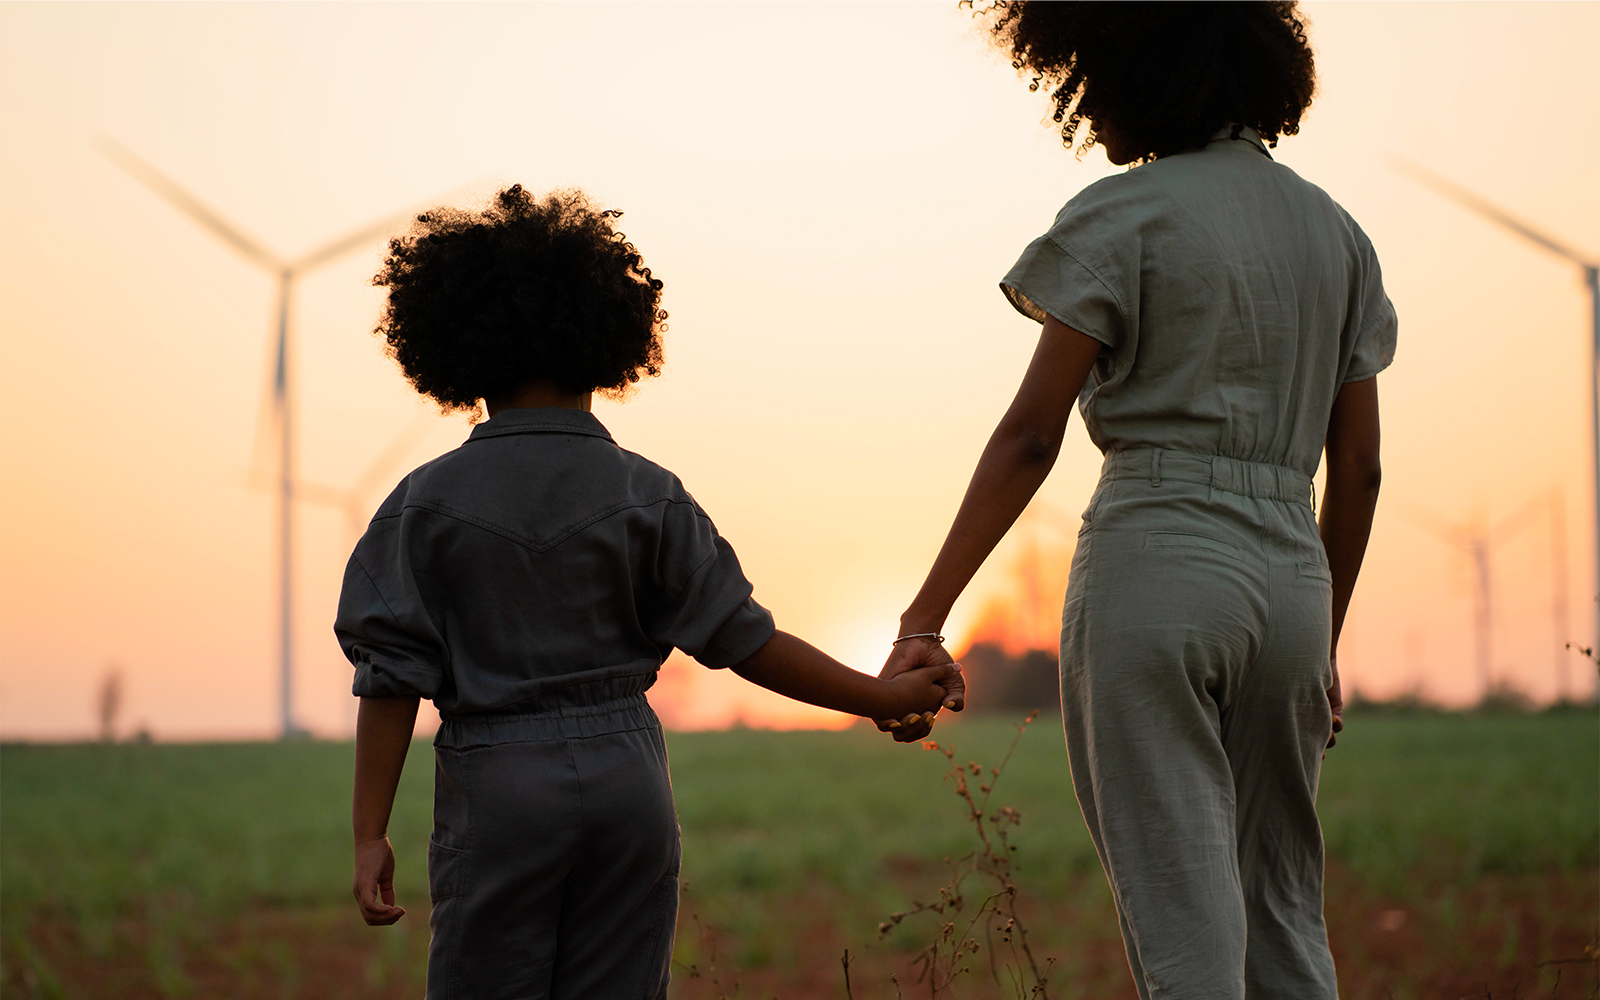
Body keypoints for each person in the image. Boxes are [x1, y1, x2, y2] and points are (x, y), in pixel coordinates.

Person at [876, 4, 1392, 997]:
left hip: (1153, 562)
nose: (1080, 116)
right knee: (1283, 908)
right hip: (1293, 580)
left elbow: (1032, 434)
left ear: (1131, 72)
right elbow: (1360, 468)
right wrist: (1321, 634)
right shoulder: (1341, 236)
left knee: (1183, 912)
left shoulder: (1123, 215)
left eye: (1080, 85)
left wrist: (923, 615)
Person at [336, 185, 964, 1000]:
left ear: (458, 349)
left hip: (498, 780)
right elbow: (748, 642)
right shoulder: (649, 494)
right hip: (628, 777)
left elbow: (391, 679)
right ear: (606, 337)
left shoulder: (424, 504)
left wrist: (367, 834)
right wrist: (876, 698)